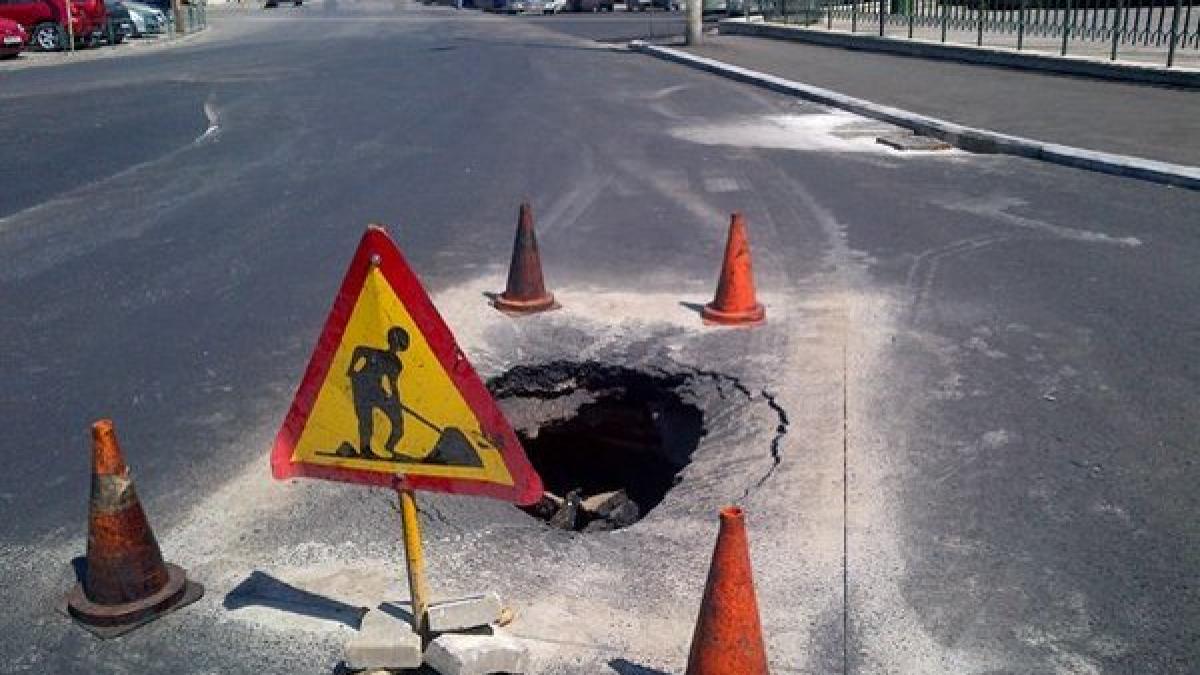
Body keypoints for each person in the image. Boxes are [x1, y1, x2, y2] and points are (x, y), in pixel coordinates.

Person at [345, 326, 410, 459]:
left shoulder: (396, 364)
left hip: (376, 391)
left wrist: (395, 400)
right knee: (366, 421)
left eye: (398, 345)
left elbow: (393, 383)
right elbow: (358, 350)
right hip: (362, 388)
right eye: (396, 343)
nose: (395, 347)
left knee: (397, 421)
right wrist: (351, 369)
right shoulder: (375, 353)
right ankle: (365, 450)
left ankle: (389, 447)